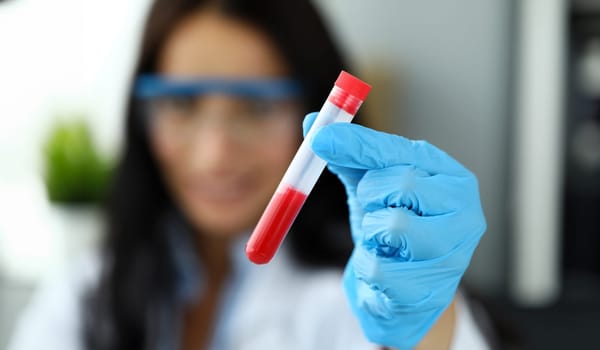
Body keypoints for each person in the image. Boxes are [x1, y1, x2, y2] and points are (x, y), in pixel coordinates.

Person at [8, 0, 490, 349]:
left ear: (314, 109)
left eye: (256, 107)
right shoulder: (88, 290)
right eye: (181, 104)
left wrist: (429, 322)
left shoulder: (365, 293)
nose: (215, 155)